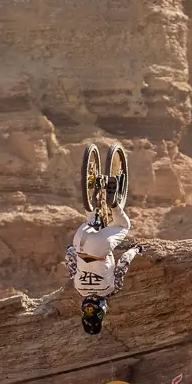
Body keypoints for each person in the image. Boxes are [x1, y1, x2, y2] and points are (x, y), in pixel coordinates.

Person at [66, 143, 139, 334]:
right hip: (79, 242)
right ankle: (91, 197)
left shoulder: (111, 290)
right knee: (90, 219)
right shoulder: (78, 288)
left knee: (124, 226)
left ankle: (114, 204)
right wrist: (72, 249)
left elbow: (123, 262)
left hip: (100, 248)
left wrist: (135, 250)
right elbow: (69, 257)